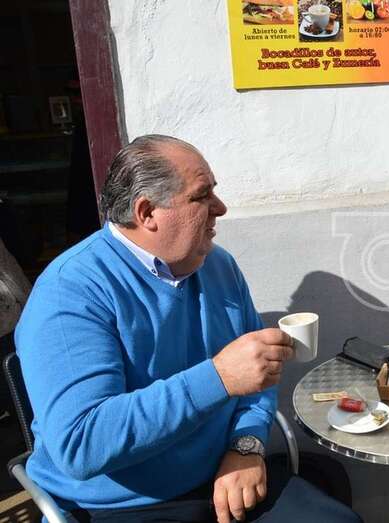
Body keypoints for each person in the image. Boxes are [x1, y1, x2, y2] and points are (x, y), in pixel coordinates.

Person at [15, 135, 360, 523]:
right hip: (115, 507)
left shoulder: (217, 266)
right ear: (147, 213)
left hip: (220, 477)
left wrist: (245, 447)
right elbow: (81, 445)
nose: (221, 208)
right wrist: (219, 377)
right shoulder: (71, 292)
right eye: (202, 196)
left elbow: (258, 379)